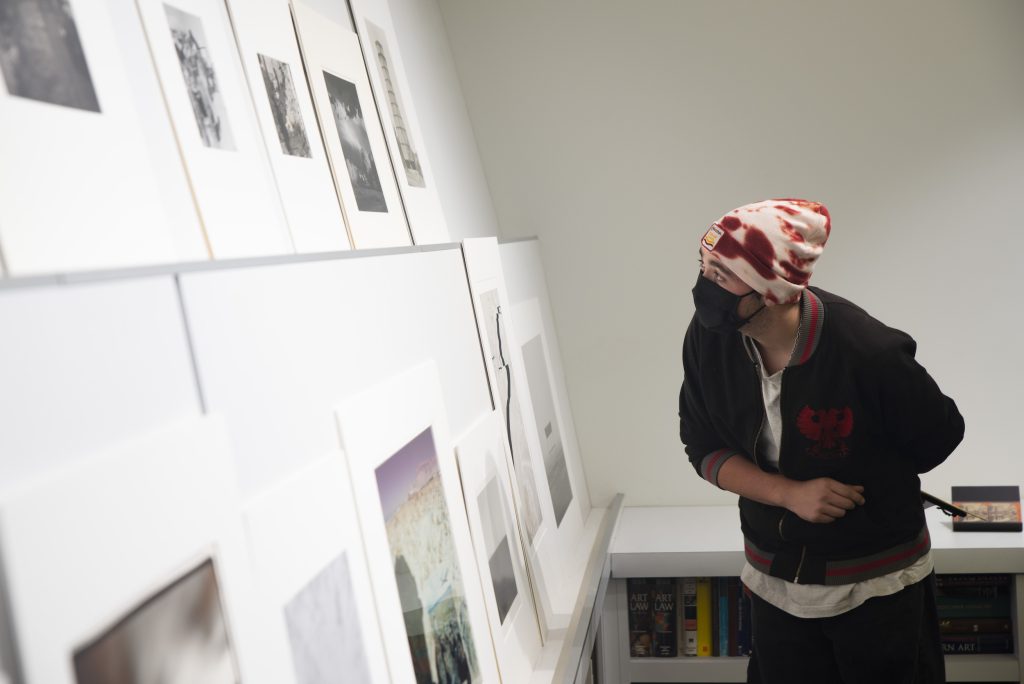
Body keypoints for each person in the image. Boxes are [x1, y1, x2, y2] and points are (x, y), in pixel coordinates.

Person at [678, 199, 964, 683]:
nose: (706, 286)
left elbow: (938, 437)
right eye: (704, 268)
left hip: (877, 586)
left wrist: (871, 469)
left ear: (772, 289)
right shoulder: (710, 338)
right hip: (773, 580)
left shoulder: (869, 352)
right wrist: (788, 493)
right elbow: (702, 447)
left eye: (723, 274)